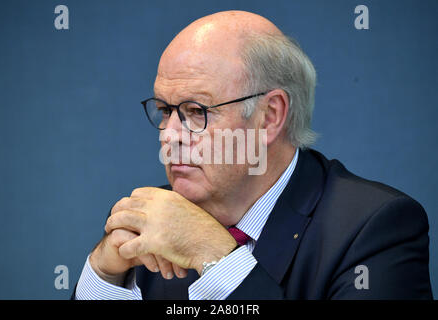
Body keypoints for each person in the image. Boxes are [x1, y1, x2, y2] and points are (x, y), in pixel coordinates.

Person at [73, 10, 433, 299]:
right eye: (166, 110)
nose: (169, 135)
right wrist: (104, 275)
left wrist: (215, 256)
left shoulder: (373, 229)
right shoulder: (151, 220)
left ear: (269, 116)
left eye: (196, 110)